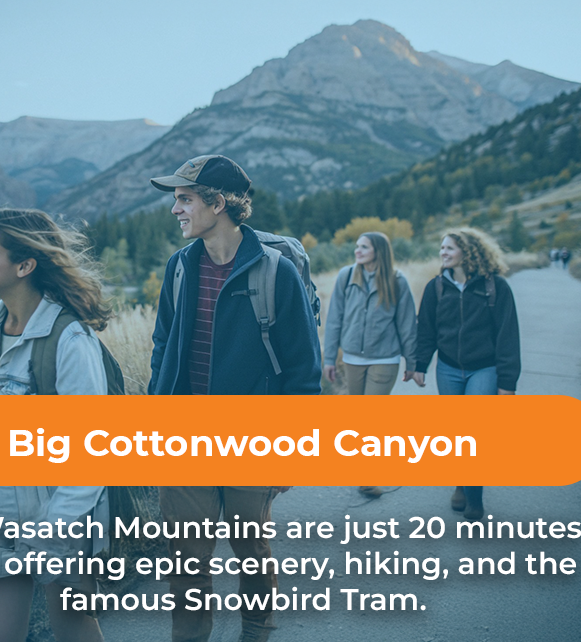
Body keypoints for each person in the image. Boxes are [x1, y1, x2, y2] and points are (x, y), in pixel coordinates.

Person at [148, 154, 322, 642]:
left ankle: (257, 629)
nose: (176, 209)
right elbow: (163, 345)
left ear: (217, 203)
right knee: (186, 558)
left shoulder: (276, 273)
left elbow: (304, 373)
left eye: (184, 199)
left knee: (250, 546)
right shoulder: (179, 267)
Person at [0, 207, 114, 642]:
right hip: (3, 518)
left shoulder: (70, 340)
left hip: (59, 519)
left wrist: (56, 531)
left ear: (24, 266)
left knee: (73, 629)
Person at [412, 227, 521, 522]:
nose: (443, 253)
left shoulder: (495, 287)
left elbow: (507, 338)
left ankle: (475, 498)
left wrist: (507, 384)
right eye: (442, 249)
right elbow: (427, 331)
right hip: (448, 368)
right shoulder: (436, 287)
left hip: (484, 369)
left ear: (469, 252)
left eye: (449, 248)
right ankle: (461, 482)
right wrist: (421, 364)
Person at [322, 232, 417, 498]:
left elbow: (407, 323)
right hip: (352, 358)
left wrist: (412, 360)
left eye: (364, 247)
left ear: (379, 251)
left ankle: (367, 476)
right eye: (356, 246)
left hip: (384, 359)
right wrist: (330, 358)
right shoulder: (346, 276)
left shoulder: (397, 281)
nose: (358, 251)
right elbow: (334, 320)